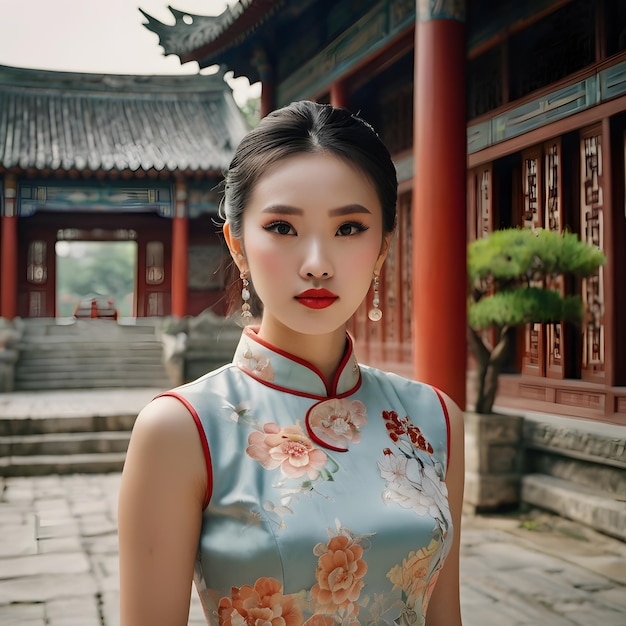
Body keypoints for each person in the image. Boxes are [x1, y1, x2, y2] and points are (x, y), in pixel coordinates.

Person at [118, 100, 464, 626]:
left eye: (349, 229)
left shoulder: (433, 419)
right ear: (238, 245)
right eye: (282, 227)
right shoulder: (184, 429)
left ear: (382, 250)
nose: (318, 264)